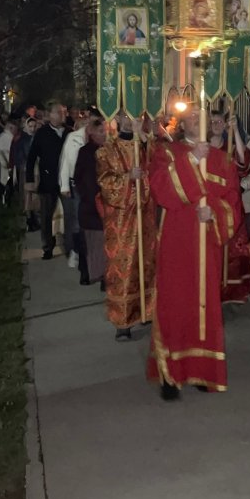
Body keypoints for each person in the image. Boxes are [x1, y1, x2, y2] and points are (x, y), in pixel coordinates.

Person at [146, 104, 242, 399]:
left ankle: (203, 369)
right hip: (176, 243)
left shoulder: (223, 159)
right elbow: (161, 190)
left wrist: (213, 212)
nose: (198, 121)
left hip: (207, 244)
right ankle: (170, 374)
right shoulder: (166, 153)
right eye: (192, 117)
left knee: (205, 307)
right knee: (174, 304)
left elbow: (233, 202)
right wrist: (192, 159)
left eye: (203, 117)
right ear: (182, 124)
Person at [96, 111, 157, 340]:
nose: (132, 122)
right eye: (128, 118)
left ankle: (148, 310)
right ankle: (122, 320)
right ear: (119, 119)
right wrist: (128, 177)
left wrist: (144, 139)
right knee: (123, 267)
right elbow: (105, 183)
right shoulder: (106, 150)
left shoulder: (146, 145)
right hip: (122, 219)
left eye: (137, 118)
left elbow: (160, 166)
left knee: (147, 264)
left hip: (146, 216)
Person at [209, 110, 250, 304]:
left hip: (231, 206)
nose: (216, 125)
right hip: (209, 206)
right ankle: (212, 291)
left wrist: (235, 131)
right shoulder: (201, 149)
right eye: (212, 121)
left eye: (220, 121)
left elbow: (244, 164)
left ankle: (234, 292)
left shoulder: (230, 148)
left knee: (234, 249)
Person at [25, 103, 68, 260]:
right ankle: (48, 246)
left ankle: (69, 245)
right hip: (48, 180)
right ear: (50, 115)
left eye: (64, 112)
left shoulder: (69, 132)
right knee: (47, 215)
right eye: (58, 112)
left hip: (66, 181)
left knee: (67, 214)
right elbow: (31, 157)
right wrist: (29, 179)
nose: (62, 115)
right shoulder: (42, 133)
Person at [74, 119, 107, 288]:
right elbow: (79, 176)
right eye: (100, 131)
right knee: (88, 241)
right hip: (90, 203)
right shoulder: (85, 152)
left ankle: (103, 276)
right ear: (92, 133)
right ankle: (86, 272)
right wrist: (88, 195)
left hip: (104, 201)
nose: (104, 134)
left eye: (105, 131)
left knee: (102, 242)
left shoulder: (108, 150)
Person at [59, 115, 91, 281]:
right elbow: (66, 161)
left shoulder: (98, 138)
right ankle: (75, 251)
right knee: (77, 220)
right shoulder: (73, 138)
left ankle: (87, 254)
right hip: (76, 183)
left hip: (91, 183)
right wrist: (64, 185)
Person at [15, 116, 40, 231]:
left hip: (35, 170)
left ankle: (33, 218)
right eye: (30, 126)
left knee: (34, 195)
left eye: (34, 126)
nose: (32, 129)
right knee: (27, 195)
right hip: (27, 170)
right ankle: (29, 219)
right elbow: (19, 157)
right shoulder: (22, 140)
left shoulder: (36, 139)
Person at [0, 120, 17, 194]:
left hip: (14, 164)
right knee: (5, 181)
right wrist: (3, 162)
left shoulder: (15, 137)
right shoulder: (3, 136)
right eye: (14, 129)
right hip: (6, 163)